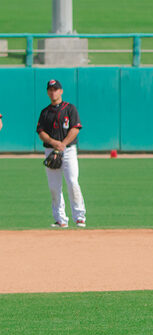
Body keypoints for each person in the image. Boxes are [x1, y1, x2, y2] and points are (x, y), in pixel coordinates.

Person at [36, 79, 87, 228]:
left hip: (69, 150)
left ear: (61, 91)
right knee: (54, 186)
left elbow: (75, 128)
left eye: (56, 89)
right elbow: (40, 132)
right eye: (51, 89)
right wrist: (54, 143)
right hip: (51, 151)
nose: (53, 92)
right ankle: (60, 219)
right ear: (47, 92)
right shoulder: (45, 112)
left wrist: (62, 144)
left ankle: (79, 216)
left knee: (72, 182)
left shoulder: (70, 109)